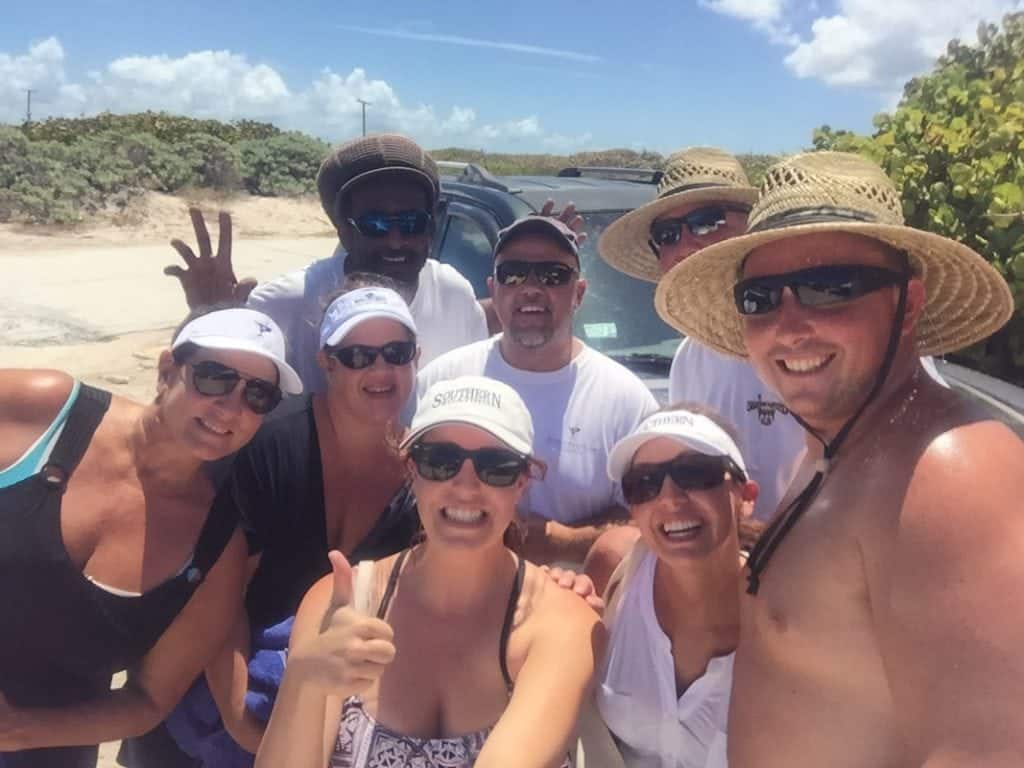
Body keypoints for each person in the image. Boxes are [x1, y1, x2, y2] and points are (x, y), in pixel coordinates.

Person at [655, 150, 1024, 766]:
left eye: (830, 288)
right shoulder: (834, 451)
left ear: (908, 305)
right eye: (759, 298)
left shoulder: (948, 474)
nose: (790, 325)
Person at [120, 278, 422, 767]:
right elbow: (217, 591)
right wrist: (240, 718)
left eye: (396, 352)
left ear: (416, 357)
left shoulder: (427, 471)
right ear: (326, 362)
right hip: (211, 695)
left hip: (323, 713)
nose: (380, 369)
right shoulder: (269, 443)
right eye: (357, 356)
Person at [0, 306, 302, 768]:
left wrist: (19, 730)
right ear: (167, 371)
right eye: (214, 378)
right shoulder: (48, 412)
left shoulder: (215, 554)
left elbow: (148, 701)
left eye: (258, 394)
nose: (231, 407)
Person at [254, 375, 603, 768]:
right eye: (440, 462)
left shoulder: (563, 623)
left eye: (496, 467)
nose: (465, 487)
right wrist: (303, 679)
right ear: (412, 471)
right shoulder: (338, 601)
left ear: (521, 483)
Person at [599, 146, 945, 523]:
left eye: (828, 289)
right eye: (666, 234)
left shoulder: (886, 360)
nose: (685, 244)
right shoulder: (691, 359)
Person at [417, 216, 659, 564]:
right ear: (493, 288)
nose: (531, 287)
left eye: (553, 275)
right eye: (513, 273)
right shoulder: (440, 382)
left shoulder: (628, 401)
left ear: (579, 293)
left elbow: (652, 518)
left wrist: (555, 542)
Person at [163, 134, 488, 392]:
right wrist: (207, 315)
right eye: (374, 224)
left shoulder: (454, 294)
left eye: (412, 222)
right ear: (342, 230)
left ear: (430, 228)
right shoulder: (288, 302)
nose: (395, 240)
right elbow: (200, 391)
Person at [596, 405, 759, 768]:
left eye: (695, 474)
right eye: (644, 483)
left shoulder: (786, 612)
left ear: (746, 496)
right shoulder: (614, 568)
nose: (670, 498)